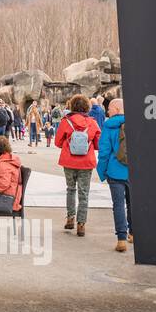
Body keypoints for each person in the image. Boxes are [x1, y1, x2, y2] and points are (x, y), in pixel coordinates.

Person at [53, 94, 100, 236]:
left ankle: (70, 218)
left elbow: (57, 142)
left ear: (72, 106)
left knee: (70, 189)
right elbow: (98, 144)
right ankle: (81, 224)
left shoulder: (66, 122)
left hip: (69, 161)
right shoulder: (92, 123)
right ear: (87, 107)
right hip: (86, 162)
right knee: (84, 193)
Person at [95, 98, 133, 252]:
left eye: (109, 108)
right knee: (133, 204)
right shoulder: (135, 123)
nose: (107, 111)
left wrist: (102, 171)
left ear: (117, 109)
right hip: (134, 172)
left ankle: (121, 240)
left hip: (115, 171)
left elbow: (104, 152)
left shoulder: (108, 126)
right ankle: (133, 233)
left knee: (118, 205)